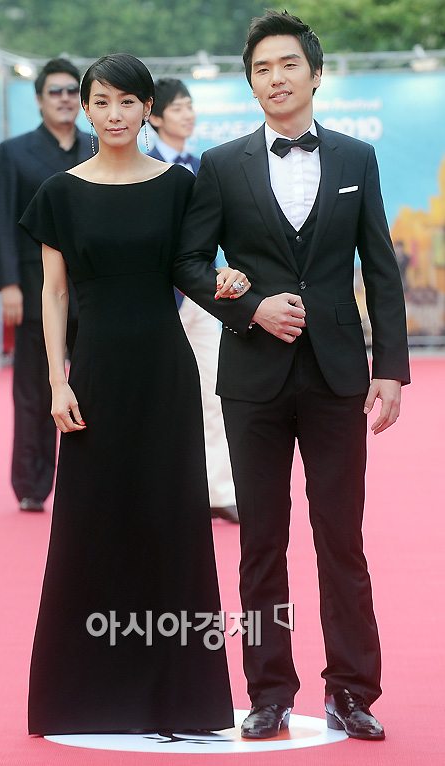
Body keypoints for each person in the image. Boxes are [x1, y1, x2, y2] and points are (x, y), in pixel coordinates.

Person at [173, 9, 410, 742]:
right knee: (261, 542)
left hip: (339, 377)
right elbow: (188, 263)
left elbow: (381, 266)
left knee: (342, 541)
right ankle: (269, 691)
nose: (275, 78)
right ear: (251, 84)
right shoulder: (221, 165)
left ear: (315, 73)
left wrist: (390, 368)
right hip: (253, 380)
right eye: (261, 69)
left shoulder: (356, 159)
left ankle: (352, 691)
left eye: (287, 65)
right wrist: (249, 309)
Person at [19, 53, 248, 735]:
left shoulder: (179, 186)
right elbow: (53, 294)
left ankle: (180, 696)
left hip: (164, 372)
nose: (114, 114)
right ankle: (82, 696)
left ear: (147, 108)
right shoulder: (59, 193)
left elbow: (198, 268)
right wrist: (57, 378)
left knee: (171, 523)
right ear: (86, 108)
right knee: (90, 526)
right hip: (93, 375)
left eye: (127, 102)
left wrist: (232, 284)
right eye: (102, 101)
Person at [0, 58, 91, 513]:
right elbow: (1, 222)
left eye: (72, 91)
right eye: (55, 91)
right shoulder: (14, 152)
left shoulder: (95, 146)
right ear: (39, 99)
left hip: (91, 289)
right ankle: (31, 483)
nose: (65, 98)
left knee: (91, 387)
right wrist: (8, 284)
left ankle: (90, 479)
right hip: (33, 289)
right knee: (34, 391)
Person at [148, 78, 238, 523]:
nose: (188, 115)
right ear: (155, 116)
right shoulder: (141, 166)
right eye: (178, 107)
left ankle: (219, 491)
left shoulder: (204, 165)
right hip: (153, 299)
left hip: (202, 297)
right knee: (153, 396)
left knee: (215, 391)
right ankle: (153, 492)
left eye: (190, 106)